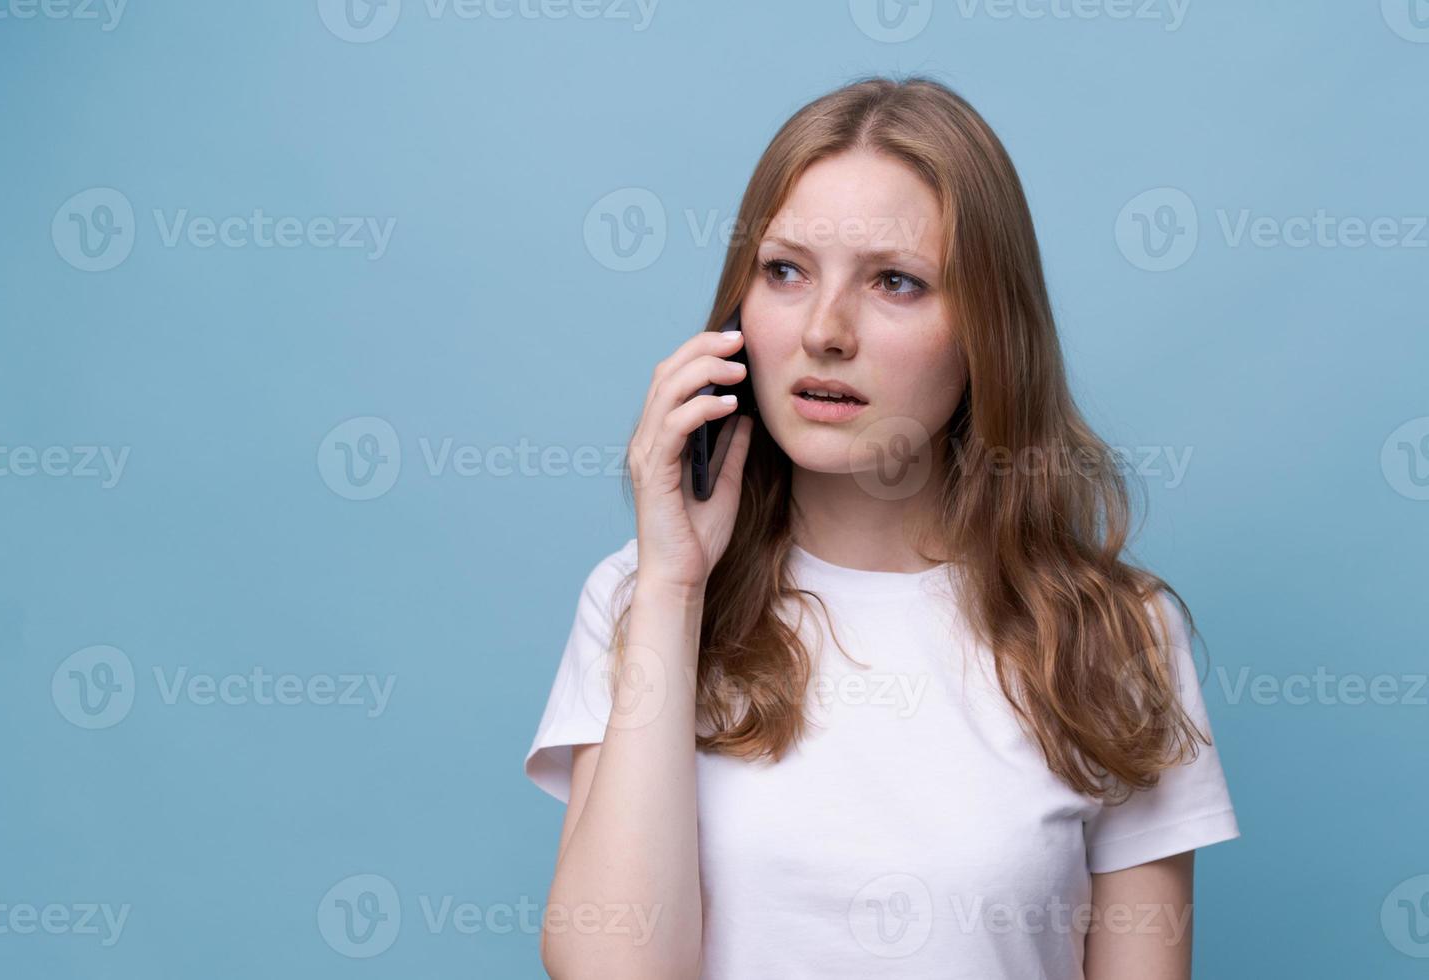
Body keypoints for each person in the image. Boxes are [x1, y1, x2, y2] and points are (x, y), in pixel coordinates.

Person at [524, 74, 1240, 980]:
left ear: (989, 329)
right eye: (784, 271)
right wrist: (674, 586)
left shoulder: (1116, 632)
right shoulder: (641, 596)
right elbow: (615, 970)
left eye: (896, 282)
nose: (824, 330)